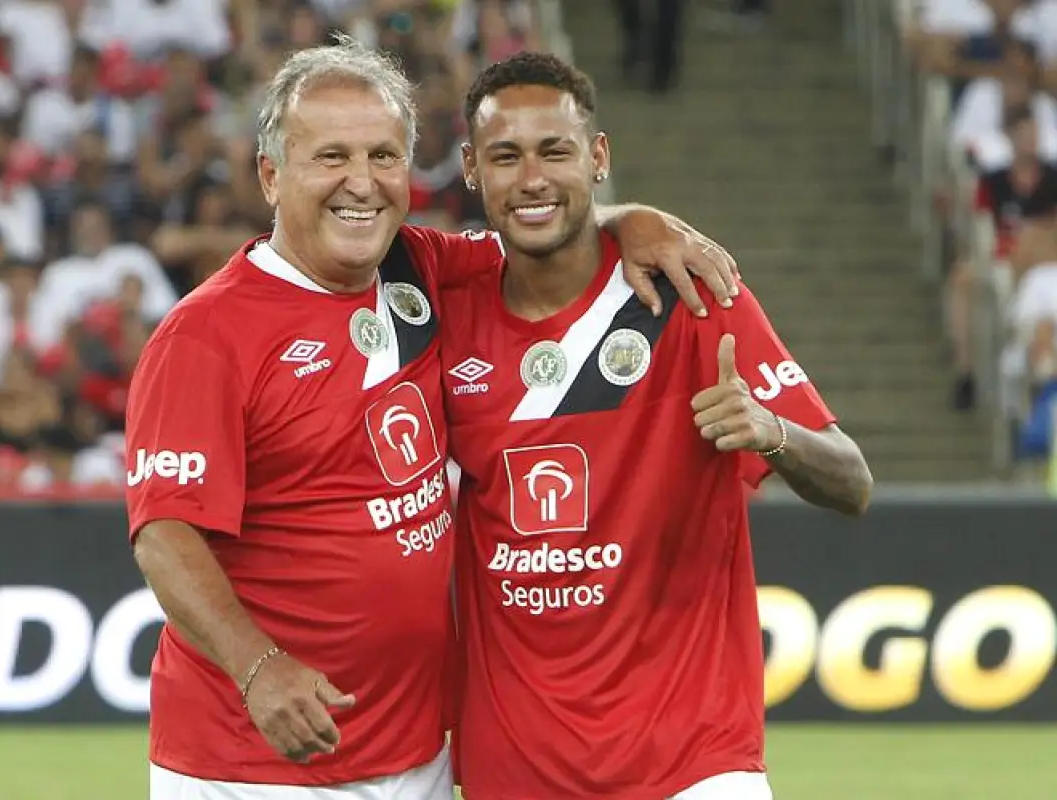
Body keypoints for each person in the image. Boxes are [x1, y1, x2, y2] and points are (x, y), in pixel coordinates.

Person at [123, 39, 739, 800]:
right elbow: (163, 534)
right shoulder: (205, 335)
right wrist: (257, 667)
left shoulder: (419, 267)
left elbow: (543, 224)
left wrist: (630, 218)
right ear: (271, 175)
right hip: (252, 762)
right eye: (331, 156)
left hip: (416, 753)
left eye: (383, 156)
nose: (361, 182)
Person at [442, 52, 873, 800]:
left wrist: (770, 429)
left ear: (598, 157)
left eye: (555, 151)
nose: (532, 177)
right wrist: (628, 215)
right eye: (506, 157)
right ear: (471, 169)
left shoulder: (689, 293)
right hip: (515, 768)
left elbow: (852, 481)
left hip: (693, 764)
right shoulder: (442, 305)